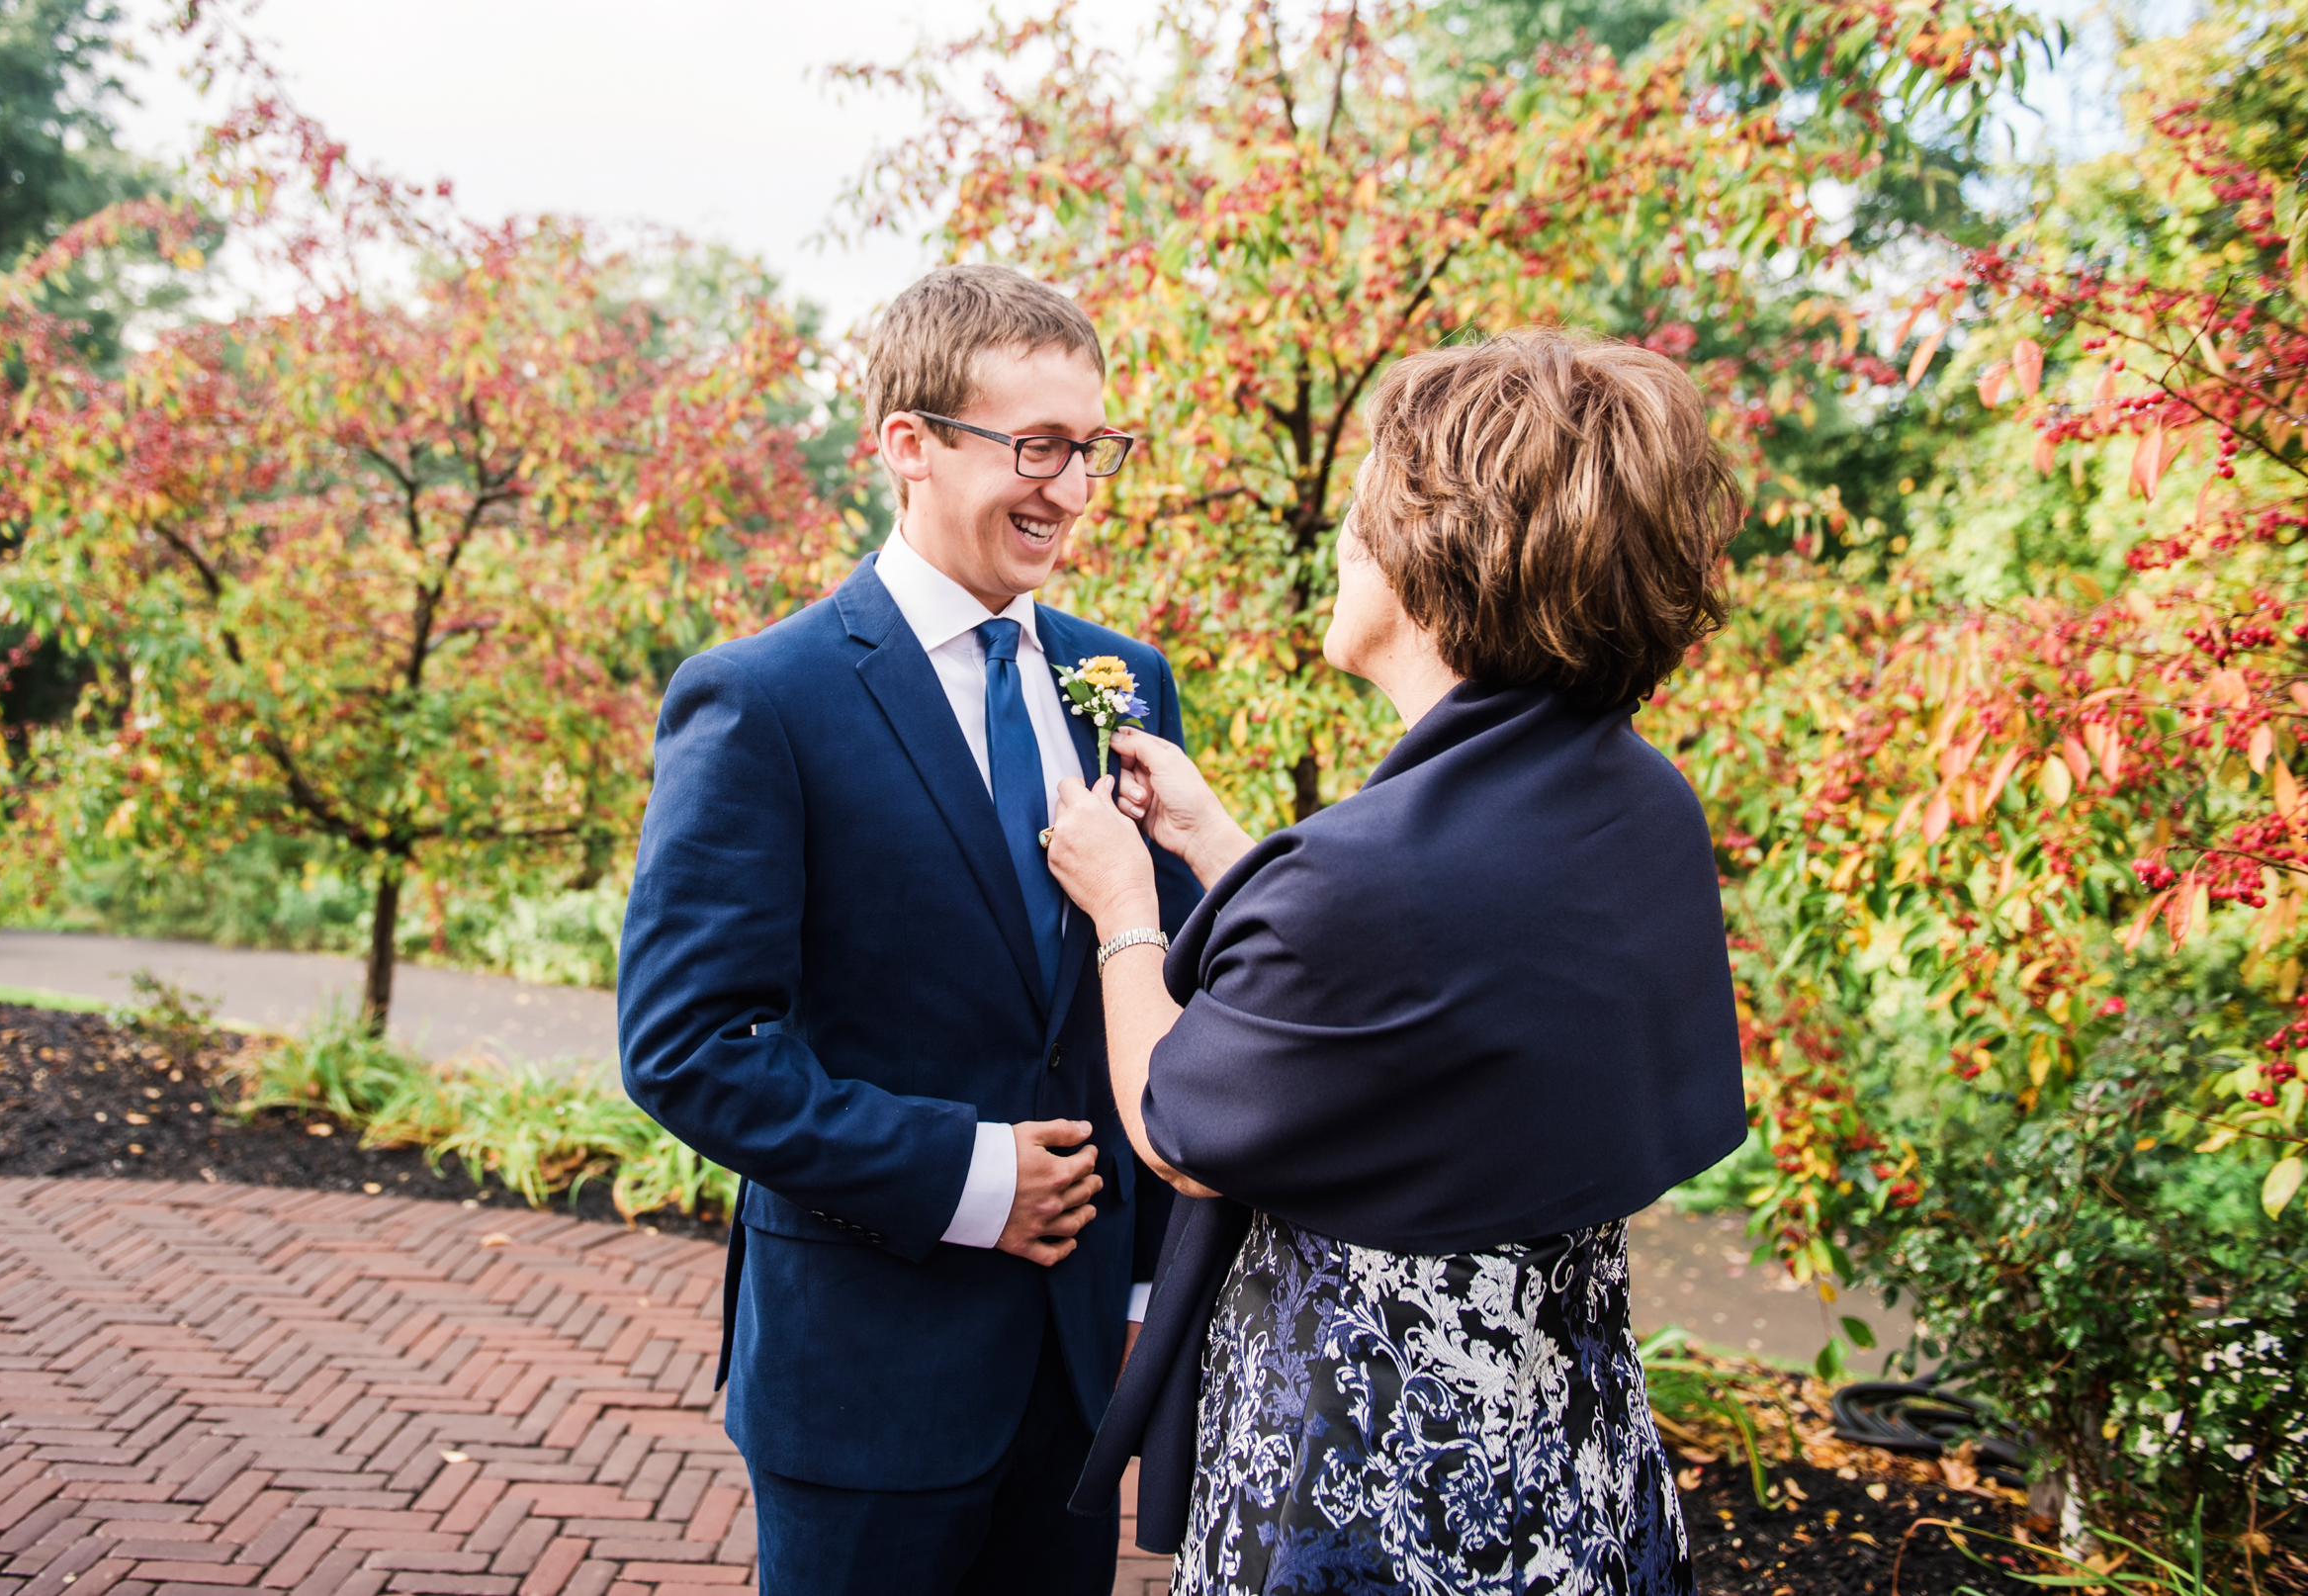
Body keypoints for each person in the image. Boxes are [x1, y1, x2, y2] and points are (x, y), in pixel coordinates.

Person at [1046, 327, 1749, 1593]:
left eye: (1366, 509)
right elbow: (1417, 980)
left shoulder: (1360, 880)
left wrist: (1121, 907)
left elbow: (1175, 1121)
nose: (1347, 539)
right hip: (1574, 1456)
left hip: (1388, 1484)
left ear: (1440, 555)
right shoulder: (1642, 801)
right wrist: (1214, 839)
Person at [616, 264, 1200, 1596]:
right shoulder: (763, 698)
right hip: (864, 1377)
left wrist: (1139, 1289)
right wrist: (971, 1177)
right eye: (1034, 445)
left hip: (1073, 1381)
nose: (1068, 487)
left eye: (1092, 449)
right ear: (908, 445)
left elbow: (1161, 988)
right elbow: (688, 1045)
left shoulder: (1126, 682)